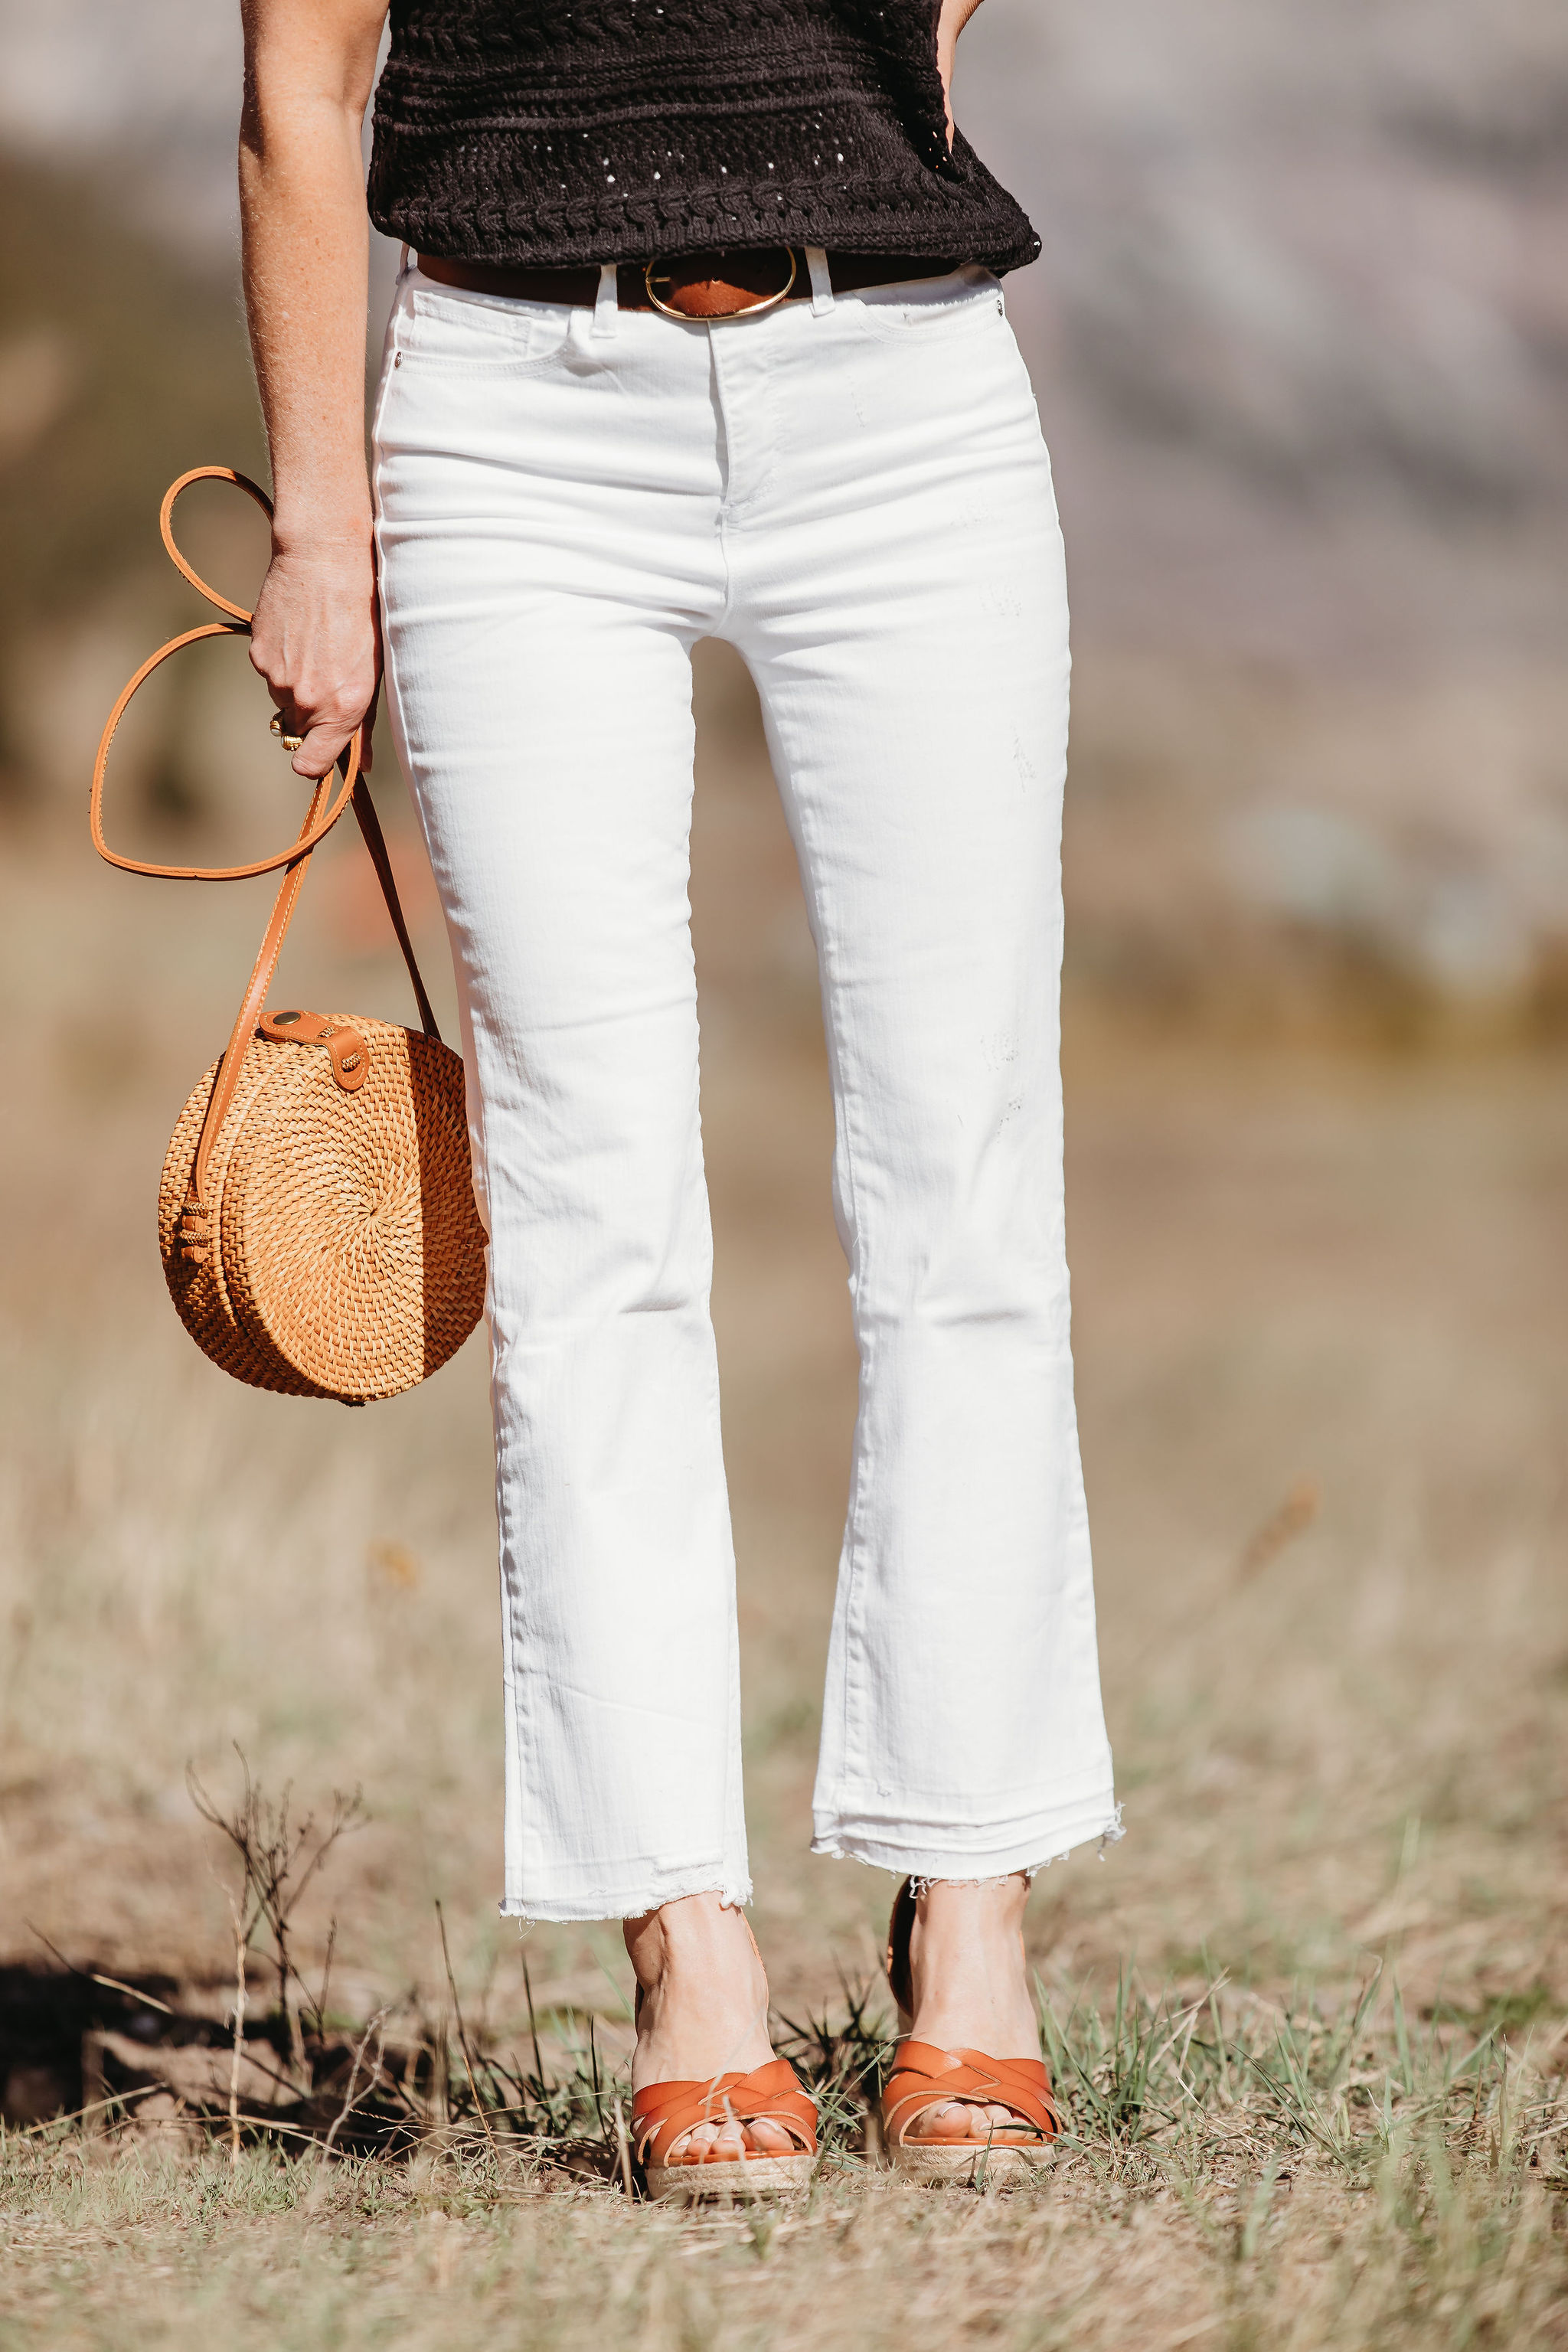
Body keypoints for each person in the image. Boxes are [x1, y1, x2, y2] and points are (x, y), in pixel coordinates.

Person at [240, 0, 1119, 2195]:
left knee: (968, 1187)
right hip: (514, 430)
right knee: (589, 1212)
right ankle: (684, 1947)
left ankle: (973, 1907)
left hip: (899, 391)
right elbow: (298, 79)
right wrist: (323, 522)